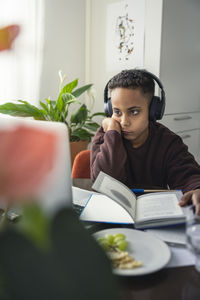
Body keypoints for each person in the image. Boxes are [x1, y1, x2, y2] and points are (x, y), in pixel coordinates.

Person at [90, 69, 200, 214]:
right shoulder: (106, 135)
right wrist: (112, 130)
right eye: (117, 112)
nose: (124, 122)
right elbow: (104, 182)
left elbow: (187, 176)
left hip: (154, 213)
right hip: (113, 214)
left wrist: (196, 189)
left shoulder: (167, 141)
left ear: (153, 111)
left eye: (134, 112)